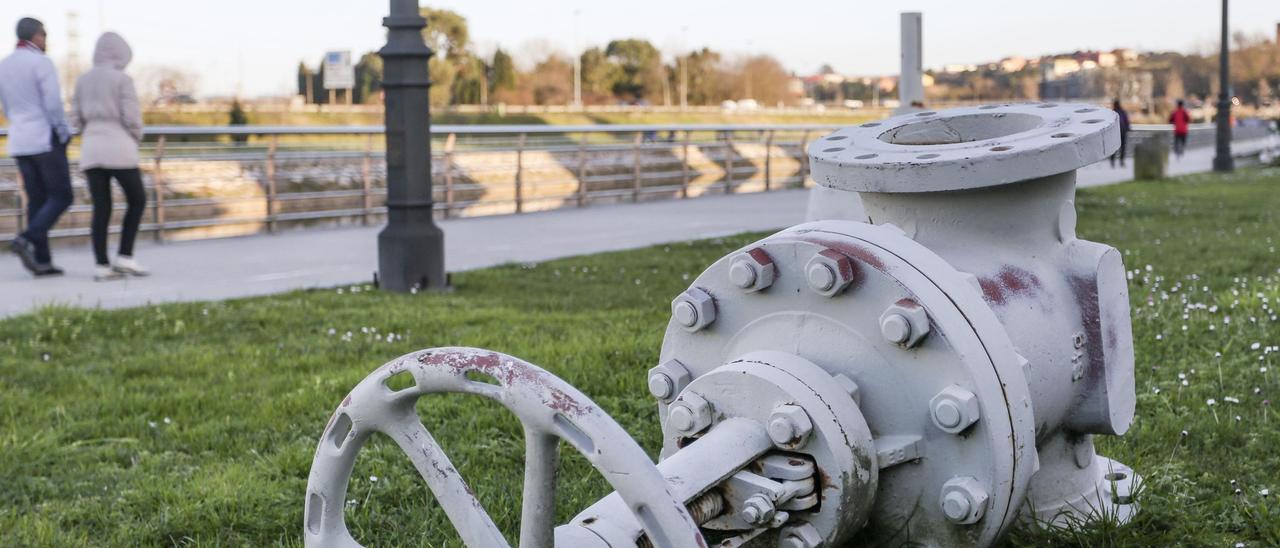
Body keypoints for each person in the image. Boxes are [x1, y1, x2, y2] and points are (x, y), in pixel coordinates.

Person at [72, 31, 149, 281]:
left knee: (101, 208)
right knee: (137, 199)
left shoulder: (82, 80)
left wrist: (90, 133)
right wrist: (135, 137)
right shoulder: (122, 79)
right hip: (119, 147)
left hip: (91, 148)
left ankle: (101, 265)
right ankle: (125, 256)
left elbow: (75, 118)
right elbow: (132, 117)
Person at [0, 17, 72, 277]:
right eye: (44, 35)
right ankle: (26, 238)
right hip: (44, 137)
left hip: (19, 139)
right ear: (36, 36)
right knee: (63, 195)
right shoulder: (42, 62)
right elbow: (53, 103)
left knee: (37, 199)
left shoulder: (4, 65)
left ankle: (42, 260)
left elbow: (6, 106)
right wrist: (64, 132)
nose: (46, 41)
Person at [1110, 99, 1130, 168]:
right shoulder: (1122, 112)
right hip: (1123, 132)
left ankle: (1113, 161)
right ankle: (1121, 161)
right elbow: (1126, 121)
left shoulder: (1112, 113)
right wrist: (1128, 129)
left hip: (1115, 133)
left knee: (1114, 148)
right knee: (1122, 148)